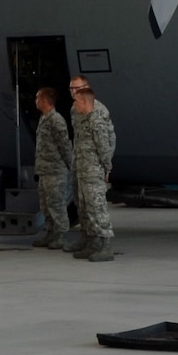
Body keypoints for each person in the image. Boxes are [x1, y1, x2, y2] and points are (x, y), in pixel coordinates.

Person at [69, 76, 116, 262]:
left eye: (77, 89)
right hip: (81, 166)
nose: (73, 93)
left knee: (97, 207)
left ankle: (105, 245)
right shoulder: (75, 110)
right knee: (84, 206)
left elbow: (105, 144)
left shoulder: (98, 114)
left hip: (93, 168)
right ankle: (91, 241)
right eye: (71, 88)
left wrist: (106, 168)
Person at [30, 86, 73, 250]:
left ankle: (61, 235)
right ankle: (50, 233)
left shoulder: (56, 120)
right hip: (44, 171)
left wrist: (71, 167)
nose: (35, 101)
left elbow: (64, 146)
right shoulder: (44, 118)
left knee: (57, 204)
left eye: (37, 98)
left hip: (55, 171)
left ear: (44, 100)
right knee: (46, 205)